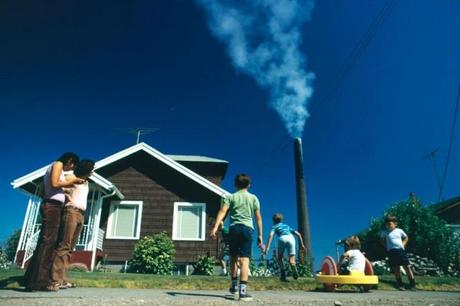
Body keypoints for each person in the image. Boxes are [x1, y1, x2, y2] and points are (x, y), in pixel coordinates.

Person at [24, 152, 84, 291]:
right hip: (52, 206)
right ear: (69, 161)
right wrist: (73, 181)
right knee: (48, 242)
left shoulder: (57, 169)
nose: (71, 169)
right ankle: (40, 282)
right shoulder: (57, 164)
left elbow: (55, 186)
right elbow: (55, 183)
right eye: (73, 165)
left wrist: (66, 195)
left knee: (46, 242)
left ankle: (31, 279)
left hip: (53, 205)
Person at [210, 174, 263, 302]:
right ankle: (243, 293)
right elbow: (258, 218)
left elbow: (222, 212)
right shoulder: (253, 198)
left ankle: (234, 287)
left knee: (233, 258)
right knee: (244, 261)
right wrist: (260, 235)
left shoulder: (231, 197)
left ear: (235, 185)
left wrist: (215, 227)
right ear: (249, 185)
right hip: (247, 229)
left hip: (233, 229)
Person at [50, 159, 95, 291]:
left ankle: (63, 279)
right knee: (64, 246)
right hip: (71, 212)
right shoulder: (71, 177)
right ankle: (55, 281)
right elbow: (60, 187)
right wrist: (67, 197)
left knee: (70, 248)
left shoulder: (86, 182)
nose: (93, 171)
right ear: (86, 168)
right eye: (91, 168)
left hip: (81, 214)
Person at [263, 213, 305, 281]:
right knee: (291, 260)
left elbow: (271, 235)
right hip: (291, 238)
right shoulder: (287, 226)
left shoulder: (274, 226)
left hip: (282, 238)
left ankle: (283, 275)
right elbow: (298, 234)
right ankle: (294, 267)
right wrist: (302, 245)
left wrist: (267, 248)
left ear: (273, 220)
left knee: (279, 258)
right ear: (281, 220)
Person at [381, 215, 416, 291]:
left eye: (390, 224)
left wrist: (403, 243)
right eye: (387, 224)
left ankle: (412, 284)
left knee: (407, 267)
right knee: (396, 268)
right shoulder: (384, 232)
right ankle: (400, 284)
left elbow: (406, 237)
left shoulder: (399, 230)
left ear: (395, 224)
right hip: (391, 251)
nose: (388, 226)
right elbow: (382, 240)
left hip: (400, 250)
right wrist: (387, 246)